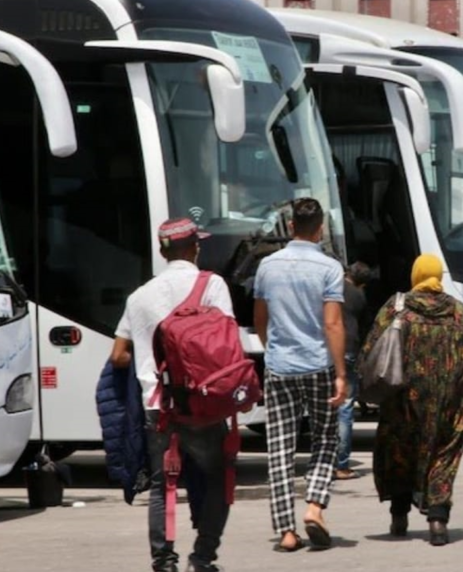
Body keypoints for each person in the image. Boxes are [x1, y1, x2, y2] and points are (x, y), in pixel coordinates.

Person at [109, 217, 232, 572]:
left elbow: (118, 356)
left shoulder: (139, 296)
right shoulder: (213, 285)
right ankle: (203, 556)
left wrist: (152, 362)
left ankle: (164, 560)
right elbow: (225, 343)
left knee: (165, 485)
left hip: (157, 406)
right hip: (204, 404)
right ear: (195, 247)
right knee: (215, 479)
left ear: (163, 252)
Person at [362, 255, 463, 547]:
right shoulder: (458, 311)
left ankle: (399, 515)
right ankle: (438, 520)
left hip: (404, 400)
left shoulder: (398, 307)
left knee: (401, 452)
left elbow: (371, 348)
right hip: (450, 401)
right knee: (444, 455)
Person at [253, 198, 349, 553]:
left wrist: (272, 349)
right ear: (320, 229)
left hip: (279, 367)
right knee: (325, 440)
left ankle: (286, 532)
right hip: (318, 366)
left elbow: (261, 319)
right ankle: (314, 507)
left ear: (291, 227)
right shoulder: (329, 267)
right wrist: (341, 373)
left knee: (279, 450)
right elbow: (332, 323)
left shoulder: (267, 266)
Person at [335, 261, 375, 481]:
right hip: (349, 350)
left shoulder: (332, 286)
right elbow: (366, 326)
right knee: (345, 408)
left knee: (325, 407)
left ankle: (322, 462)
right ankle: (341, 465)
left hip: (327, 350)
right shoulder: (359, 297)